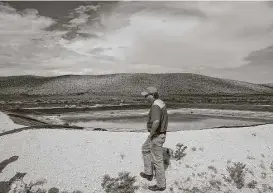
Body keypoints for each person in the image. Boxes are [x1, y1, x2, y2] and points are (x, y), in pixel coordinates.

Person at [140, 86, 168, 191]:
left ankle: (161, 185)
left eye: (147, 96)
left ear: (153, 95)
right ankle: (148, 173)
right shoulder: (160, 102)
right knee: (145, 149)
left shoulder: (155, 106)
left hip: (156, 135)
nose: (145, 98)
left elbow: (156, 122)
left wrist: (151, 134)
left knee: (158, 161)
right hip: (158, 134)